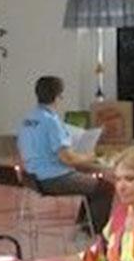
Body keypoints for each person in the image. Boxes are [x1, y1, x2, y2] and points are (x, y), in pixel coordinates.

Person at [16, 75, 114, 233]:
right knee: (105, 188)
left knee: (90, 185)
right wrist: (91, 156)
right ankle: (94, 233)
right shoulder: (51, 121)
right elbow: (67, 158)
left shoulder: (28, 118)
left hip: (32, 177)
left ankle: (84, 226)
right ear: (57, 96)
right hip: (53, 179)